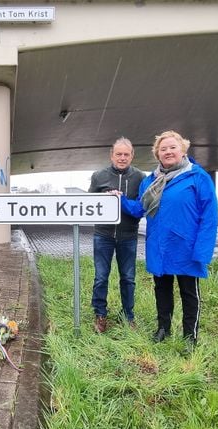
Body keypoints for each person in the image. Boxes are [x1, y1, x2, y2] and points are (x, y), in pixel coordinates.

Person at [119, 130, 218, 351]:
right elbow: (139, 209)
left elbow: (209, 216)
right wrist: (119, 200)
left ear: (183, 150)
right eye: (163, 149)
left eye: (172, 147)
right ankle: (163, 328)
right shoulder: (150, 181)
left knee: (188, 293)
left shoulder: (197, 177)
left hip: (186, 247)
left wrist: (202, 252)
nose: (168, 151)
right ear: (157, 154)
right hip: (159, 246)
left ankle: (189, 337)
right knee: (161, 289)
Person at [89, 137, 146, 333]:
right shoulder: (98, 176)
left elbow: (142, 205)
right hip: (103, 235)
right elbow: (88, 203)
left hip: (128, 236)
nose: (122, 158)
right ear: (111, 155)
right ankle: (100, 314)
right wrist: (104, 199)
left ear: (132, 156)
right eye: (118, 154)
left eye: (126, 154)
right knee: (101, 277)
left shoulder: (140, 177)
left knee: (128, 278)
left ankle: (128, 316)